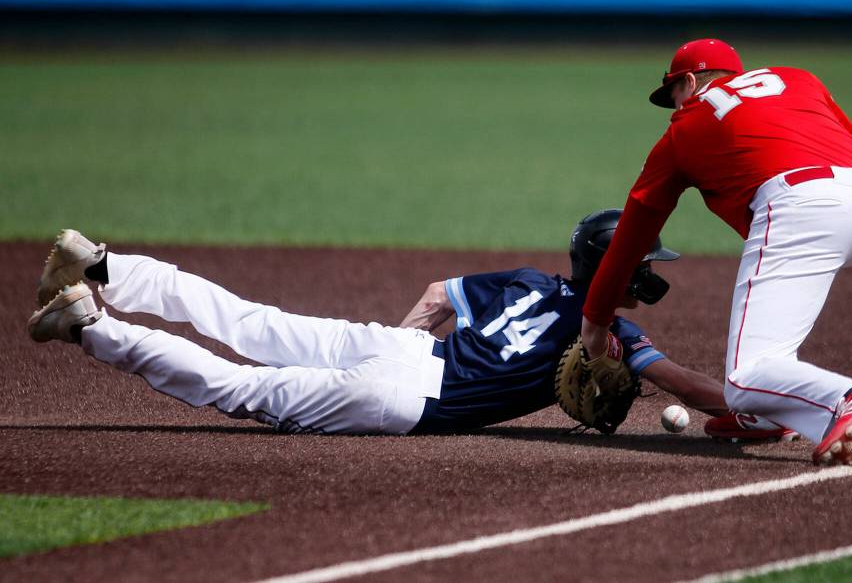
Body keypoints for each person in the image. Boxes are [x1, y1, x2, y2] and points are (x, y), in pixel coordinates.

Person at [28, 213, 792, 437]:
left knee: (251, 321)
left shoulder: (529, 281)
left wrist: (393, 349)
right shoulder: (615, 339)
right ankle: (90, 323)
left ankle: (103, 265)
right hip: (403, 395)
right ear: (615, 267)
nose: (650, 270)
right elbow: (695, 389)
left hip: (399, 347)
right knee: (242, 387)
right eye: (641, 259)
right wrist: (772, 407)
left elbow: (435, 294)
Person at [579, 39, 852, 465]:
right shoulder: (799, 78)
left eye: (674, 96)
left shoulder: (687, 125)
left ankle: (851, 396)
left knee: (744, 378)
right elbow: (848, 140)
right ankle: (766, 415)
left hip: (805, 207)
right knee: (769, 351)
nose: (675, 107)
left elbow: (635, 230)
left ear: (687, 81)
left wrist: (595, 323)